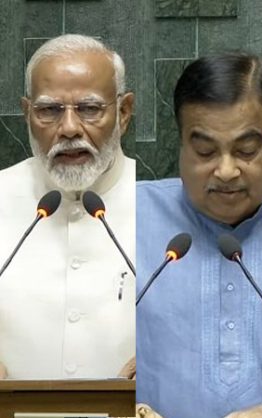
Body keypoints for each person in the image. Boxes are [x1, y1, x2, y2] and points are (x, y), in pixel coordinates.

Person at [135, 52, 262, 418]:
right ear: (181, 144)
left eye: (246, 150)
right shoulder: (126, 216)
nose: (227, 170)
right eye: (204, 151)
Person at [0, 34, 135, 379]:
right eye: (49, 110)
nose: (69, 128)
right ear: (27, 114)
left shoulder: (163, 207)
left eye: (90, 109)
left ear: (123, 112)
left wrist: (164, 364)